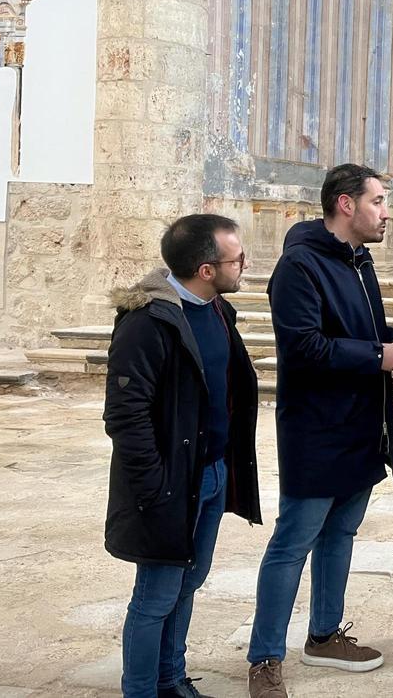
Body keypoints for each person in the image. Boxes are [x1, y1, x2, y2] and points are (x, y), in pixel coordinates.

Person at [246, 164, 393, 698]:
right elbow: (304, 348)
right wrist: (375, 355)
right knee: (293, 543)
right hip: (316, 429)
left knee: (341, 535)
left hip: (361, 426)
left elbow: (358, 327)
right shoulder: (299, 265)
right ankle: (265, 658)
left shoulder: (358, 260)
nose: (387, 212)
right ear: (346, 205)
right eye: (379, 201)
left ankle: (323, 635)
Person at [104, 214, 261, 698]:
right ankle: (142, 691)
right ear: (207, 269)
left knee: (188, 585)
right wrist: (155, 486)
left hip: (210, 474)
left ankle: (172, 682)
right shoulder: (146, 322)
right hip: (169, 484)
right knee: (155, 598)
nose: (245, 266)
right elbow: (125, 416)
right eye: (237, 259)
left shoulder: (217, 311)